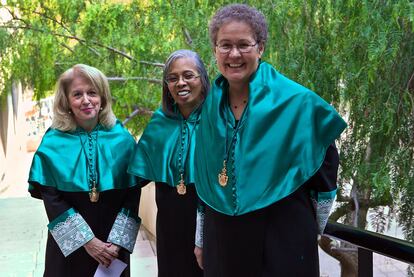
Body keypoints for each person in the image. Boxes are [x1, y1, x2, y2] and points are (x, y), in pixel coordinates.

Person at [194, 4, 347, 277]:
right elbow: (205, 179)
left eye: (244, 45)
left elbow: (325, 168)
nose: (234, 54)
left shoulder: (295, 101)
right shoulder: (207, 108)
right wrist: (201, 239)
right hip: (223, 237)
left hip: (282, 235)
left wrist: (315, 226)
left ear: (260, 48)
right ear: (215, 50)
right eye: (225, 45)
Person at [28, 64, 141, 277]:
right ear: (67, 102)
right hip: (69, 250)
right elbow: (52, 199)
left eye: (92, 93)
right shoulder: (53, 142)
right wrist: (88, 242)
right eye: (77, 94)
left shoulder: (122, 139)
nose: (86, 100)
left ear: (103, 98)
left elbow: (132, 194)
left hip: (111, 250)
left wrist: (117, 243)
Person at [128, 49, 208, 277]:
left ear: (202, 78)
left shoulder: (219, 120)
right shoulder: (158, 123)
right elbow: (134, 181)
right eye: (173, 78)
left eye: (188, 75)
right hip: (170, 227)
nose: (180, 83)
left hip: (212, 223)